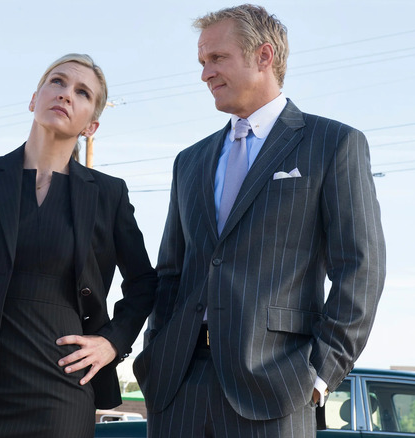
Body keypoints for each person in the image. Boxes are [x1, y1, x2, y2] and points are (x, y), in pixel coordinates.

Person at [133, 5, 386, 437]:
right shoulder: (189, 161)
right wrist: (155, 353)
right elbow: (172, 271)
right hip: (176, 388)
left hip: (275, 388)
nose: (205, 74)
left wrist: (322, 372)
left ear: (264, 56)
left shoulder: (333, 143)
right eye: (202, 62)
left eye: (217, 58)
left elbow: (361, 266)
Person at [0, 53, 157, 438]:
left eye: (82, 92)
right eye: (57, 82)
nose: (65, 94)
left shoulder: (108, 194)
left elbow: (145, 283)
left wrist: (111, 343)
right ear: (33, 99)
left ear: (91, 126)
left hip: (61, 391)